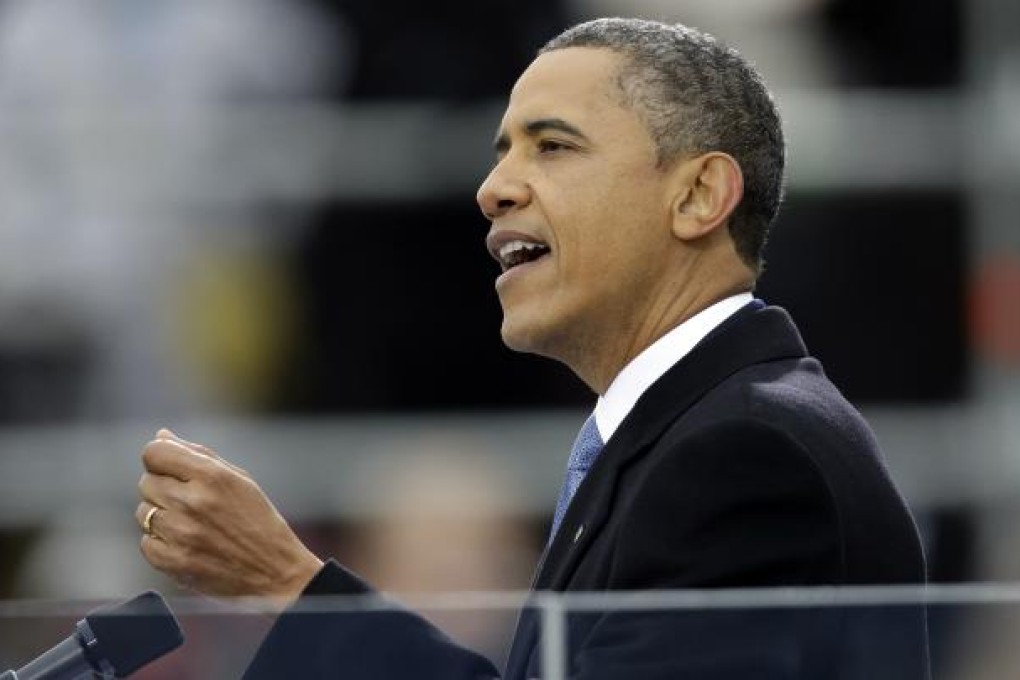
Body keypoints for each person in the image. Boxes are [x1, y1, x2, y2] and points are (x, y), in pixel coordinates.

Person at [135, 17, 930, 679]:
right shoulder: (679, 436)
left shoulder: (746, 451)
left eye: (553, 147)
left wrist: (287, 584)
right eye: (501, 152)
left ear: (697, 196)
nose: (495, 189)